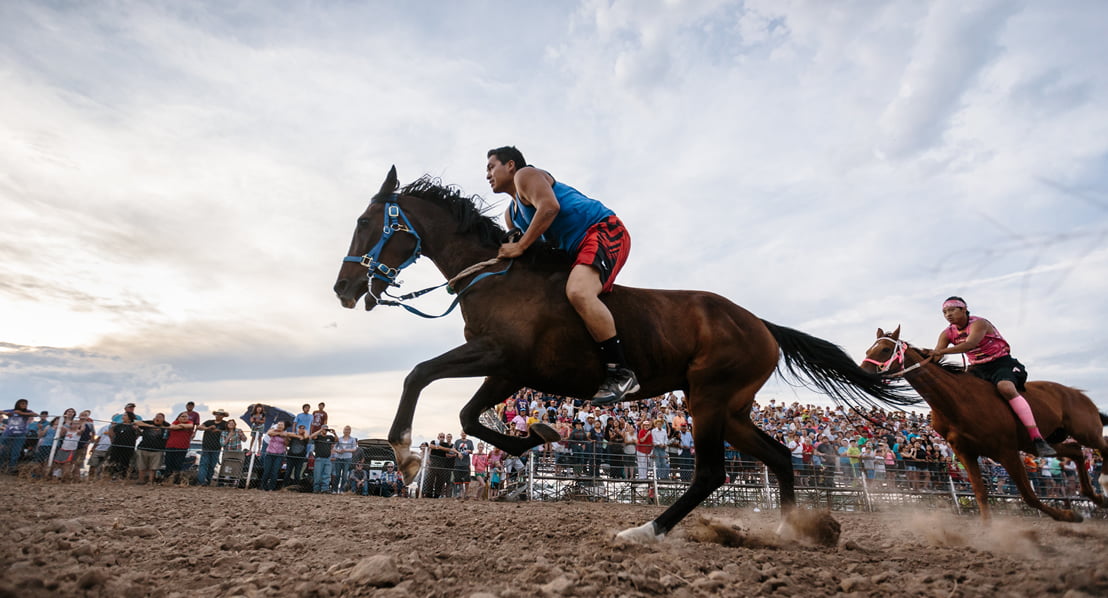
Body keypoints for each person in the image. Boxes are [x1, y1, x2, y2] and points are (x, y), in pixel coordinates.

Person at [486, 146, 638, 404]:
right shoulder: (510, 215)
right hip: (573, 250)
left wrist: (520, 246)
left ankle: (621, 373)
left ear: (510, 165)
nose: (487, 174)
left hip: (603, 230)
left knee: (578, 291)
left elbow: (549, 207)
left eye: (491, 167)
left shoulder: (525, 175)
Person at [929, 296, 1056, 457]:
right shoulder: (947, 333)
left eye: (952, 310)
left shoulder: (979, 323)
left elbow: (970, 344)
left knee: (1006, 388)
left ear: (963, 309)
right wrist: (923, 356)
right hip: (977, 368)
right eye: (945, 312)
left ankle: (1036, 437)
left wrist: (940, 352)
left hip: (1001, 363)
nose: (948, 315)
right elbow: (937, 354)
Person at [134, 413, 170, 485]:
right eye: (156, 416)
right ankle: (141, 480)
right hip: (143, 448)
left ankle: (150, 481)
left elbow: (172, 427)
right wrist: (149, 426)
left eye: (160, 417)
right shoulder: (149, 423)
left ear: (163, 419)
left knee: (153, 467)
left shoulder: (166, 426)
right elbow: (136, 422)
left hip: (157, 450)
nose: (157, 418)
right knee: (141, 466)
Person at [196, 409, 229, 486]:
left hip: (217, 447)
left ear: (223, 416)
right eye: (217, 414)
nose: (218, 415)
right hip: (206, 446)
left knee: (212, 465)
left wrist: (219, 431)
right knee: (203, 464)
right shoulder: (209, 422)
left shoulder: (225, 424)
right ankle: (201, 481)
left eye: (221, 414)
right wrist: (207, 428)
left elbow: (229, 431)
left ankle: (208, 480)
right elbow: (199, 427)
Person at [164, 412, 195, 484]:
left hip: (182, 447)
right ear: (178, 417)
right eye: (182, 416)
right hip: (171, 446)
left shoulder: (190, 423)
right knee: (168, 463)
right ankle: (167, 479)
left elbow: (190, 426)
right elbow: (172, 427)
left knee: (178, 464)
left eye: (186, 416)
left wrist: (180, 425)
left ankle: (176, 480)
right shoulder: (175, 422)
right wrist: (182, 426)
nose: (184, 418)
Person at [261, 422, 292, 491]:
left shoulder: (286, 433)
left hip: (279, 455)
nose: (280, 426)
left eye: (281, 425)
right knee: (267, 471)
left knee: (275, 471)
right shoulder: (272, 430)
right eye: (279, 425)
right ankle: (263, 486)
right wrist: (279, 433)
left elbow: (287, 443)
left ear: (284, 426)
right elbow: (269, 433)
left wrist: (285, 437)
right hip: (269, 454)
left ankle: (271, 487)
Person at [309, 426, 337, 494]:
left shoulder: (330, 437)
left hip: (328, 458)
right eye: (324, 428)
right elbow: (311, 436)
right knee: (317, 475)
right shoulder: (318, 437)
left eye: (326, 429)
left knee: (327, 474)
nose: (325, 430)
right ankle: (316, 489)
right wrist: (320, 430)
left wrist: (334, 433)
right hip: (319, 458)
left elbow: (337, 440)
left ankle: (325, 489)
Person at [332, 426, 358, 494]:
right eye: (346, 429)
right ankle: (335, 490)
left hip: (347, 459)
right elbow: (334, 447)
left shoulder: (353, 439)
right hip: (338, 458)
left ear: (350, 431)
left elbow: (354, 449)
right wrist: (338, 451)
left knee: (344, 475)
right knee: (337, 475)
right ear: (343, 430)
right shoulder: (339, 439)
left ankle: (342, 490)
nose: (347, 431)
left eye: (348, 430)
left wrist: (346, 450)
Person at [452, 431, 474, 498]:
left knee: (467, 480)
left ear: (466, 434)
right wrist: (458, 453)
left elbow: (472, 451)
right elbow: (453, 449)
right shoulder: (457, 441)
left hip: (466, 463)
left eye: (464, 433)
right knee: (458, 480)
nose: (463, 434)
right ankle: (460, 494)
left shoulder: (470, 442)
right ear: (460, 434)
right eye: (462, 433)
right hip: (458, 463)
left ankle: (466, 494)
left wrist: (468, 451)